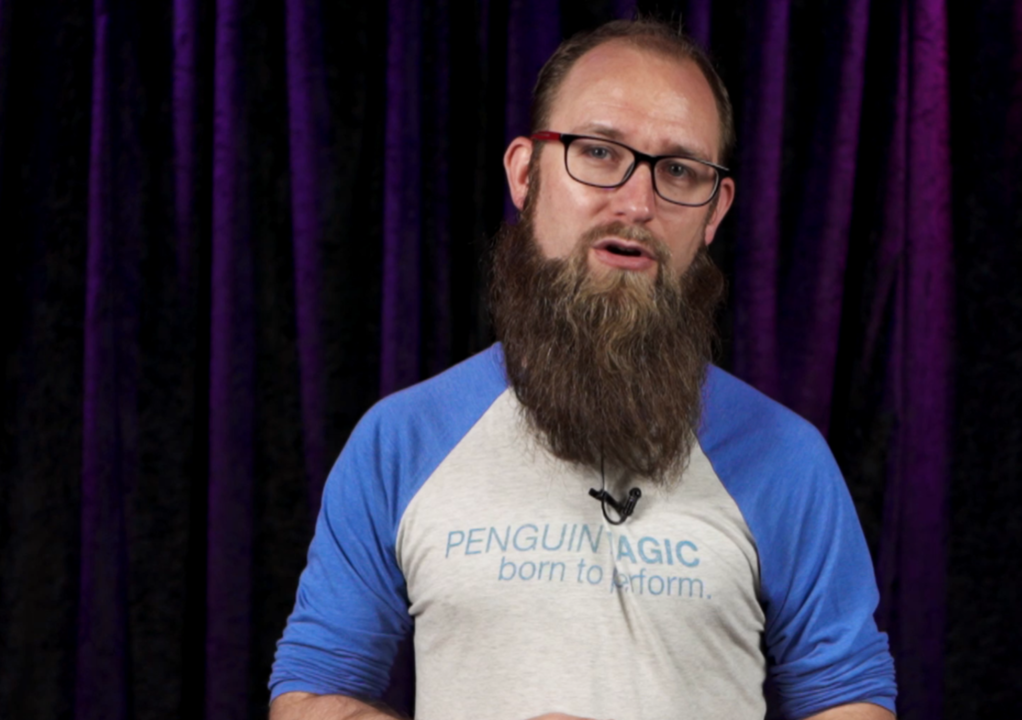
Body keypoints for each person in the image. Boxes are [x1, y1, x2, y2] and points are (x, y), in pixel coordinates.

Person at [268, 19, 896, 720]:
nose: (637, 203)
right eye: (598, 152)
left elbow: (853, 703)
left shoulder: (787, 457)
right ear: (524, 173)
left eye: (679, 170)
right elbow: (310, 698)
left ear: (715, 210)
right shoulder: (401, 441)